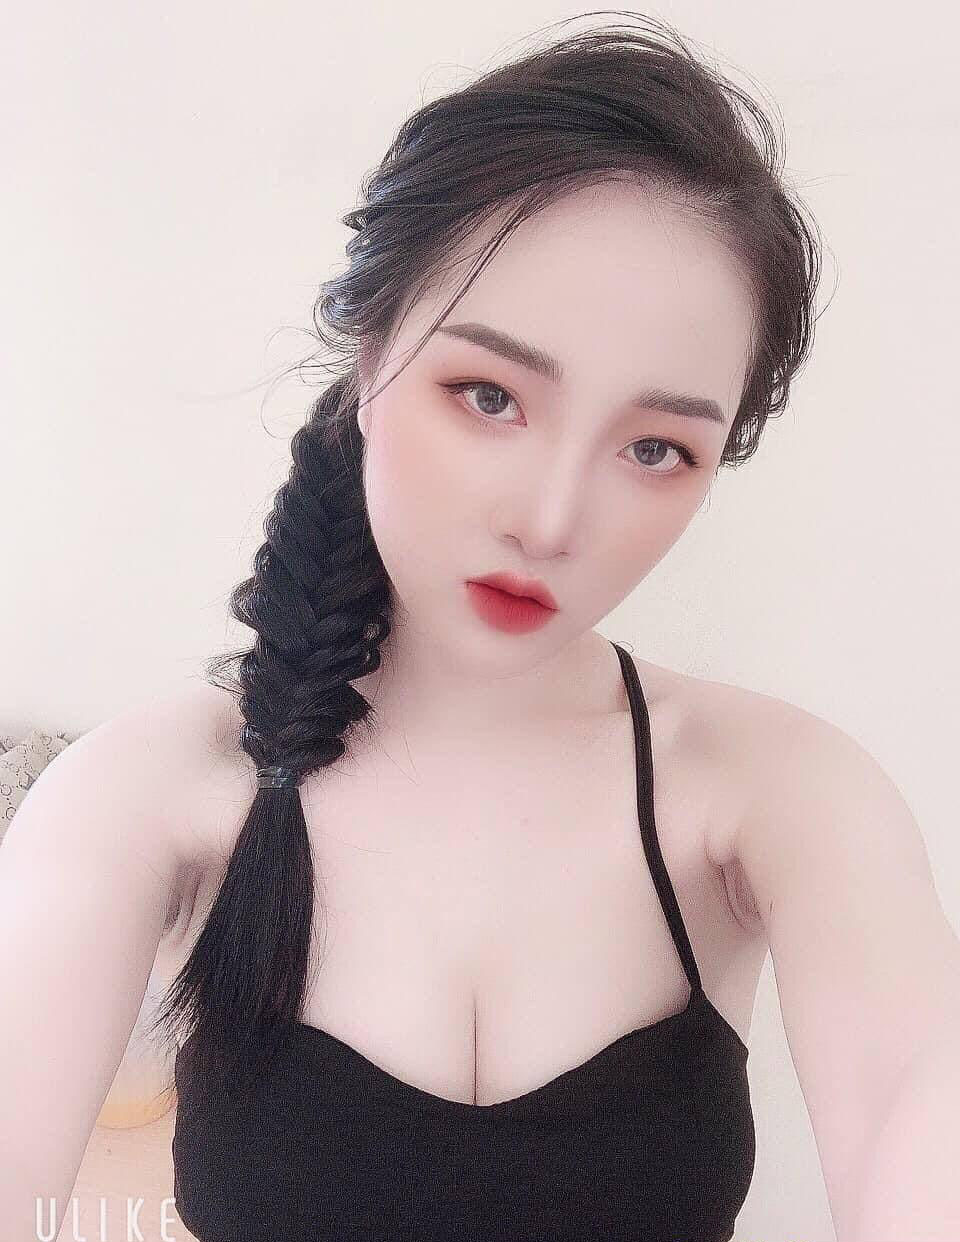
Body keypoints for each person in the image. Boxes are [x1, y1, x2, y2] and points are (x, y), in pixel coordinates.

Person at [4, 12, 960, 1242]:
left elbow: (913, 1108)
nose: (553, 520)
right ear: (369, 357)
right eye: (490, 394)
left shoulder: (779, 796)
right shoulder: (148, 795)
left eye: (655, 449)